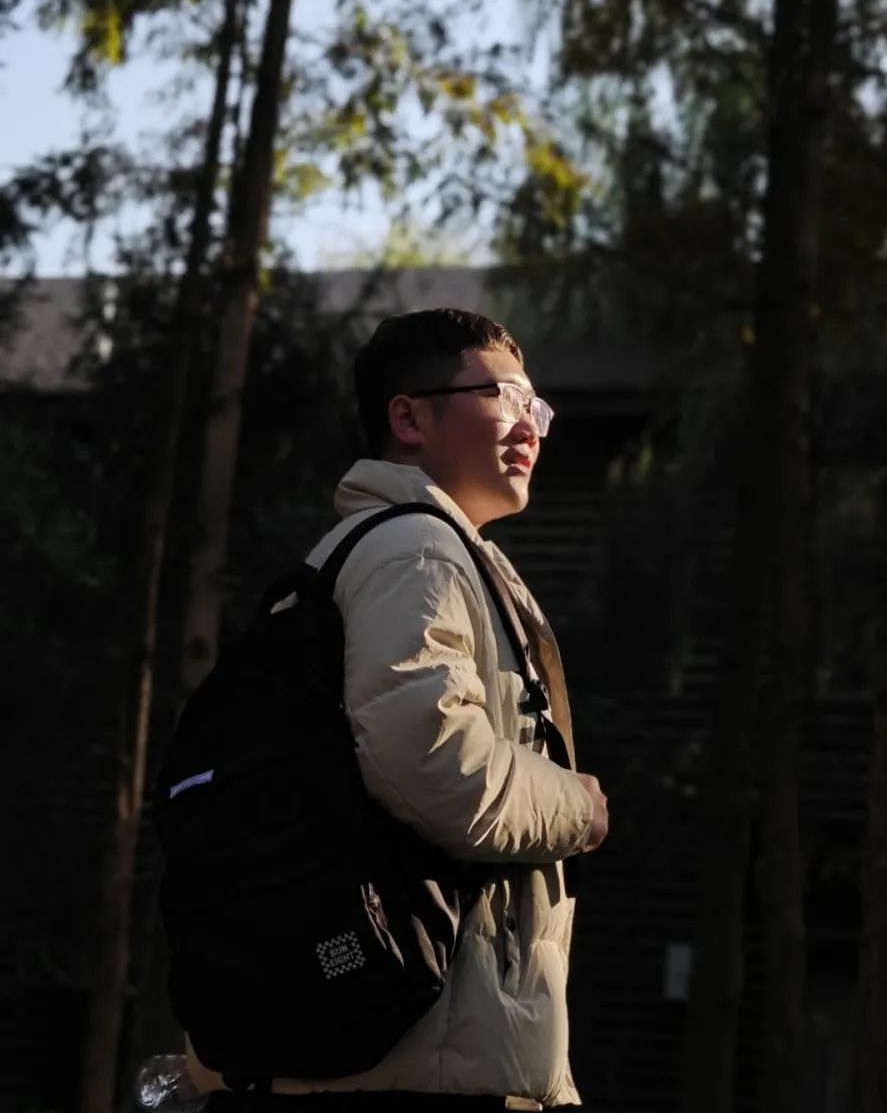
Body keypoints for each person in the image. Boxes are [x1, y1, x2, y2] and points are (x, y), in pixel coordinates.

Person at [188, 307, 609, 1111]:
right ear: (409, 419)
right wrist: (576, 806)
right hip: (422, 1064)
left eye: (537, 406)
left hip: (411, 1055)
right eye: (504, 397)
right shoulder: (416, 550)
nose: (531, 425)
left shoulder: (415, 552)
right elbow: (434, 762)